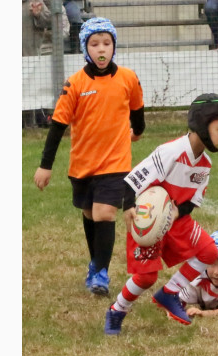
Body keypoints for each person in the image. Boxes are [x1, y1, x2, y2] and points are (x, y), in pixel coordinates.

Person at [104, 94, 218, 335]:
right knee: (145, 277)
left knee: (209, 251)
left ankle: (169, 293)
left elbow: (192, 201)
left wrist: (178, 213)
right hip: (148, 219)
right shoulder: (172, 152)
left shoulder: (205, 163)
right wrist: (129, 208)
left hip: (176, 219)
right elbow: (131, 181)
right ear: (201, 124)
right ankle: (117, 310)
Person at [33, 18, 146, 296]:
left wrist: (137, 131)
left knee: (104, 213)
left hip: (116, 162)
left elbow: (137, 112)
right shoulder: (75, 84)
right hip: (83, 164)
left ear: (114, 46)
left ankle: (101, 274)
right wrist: (45, 166)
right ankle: (95, 263)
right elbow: (58, 126)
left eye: (106, 43)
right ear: (85, 48)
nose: (101, 49)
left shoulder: (128, 78)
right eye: (94, 44)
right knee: (88, 214)